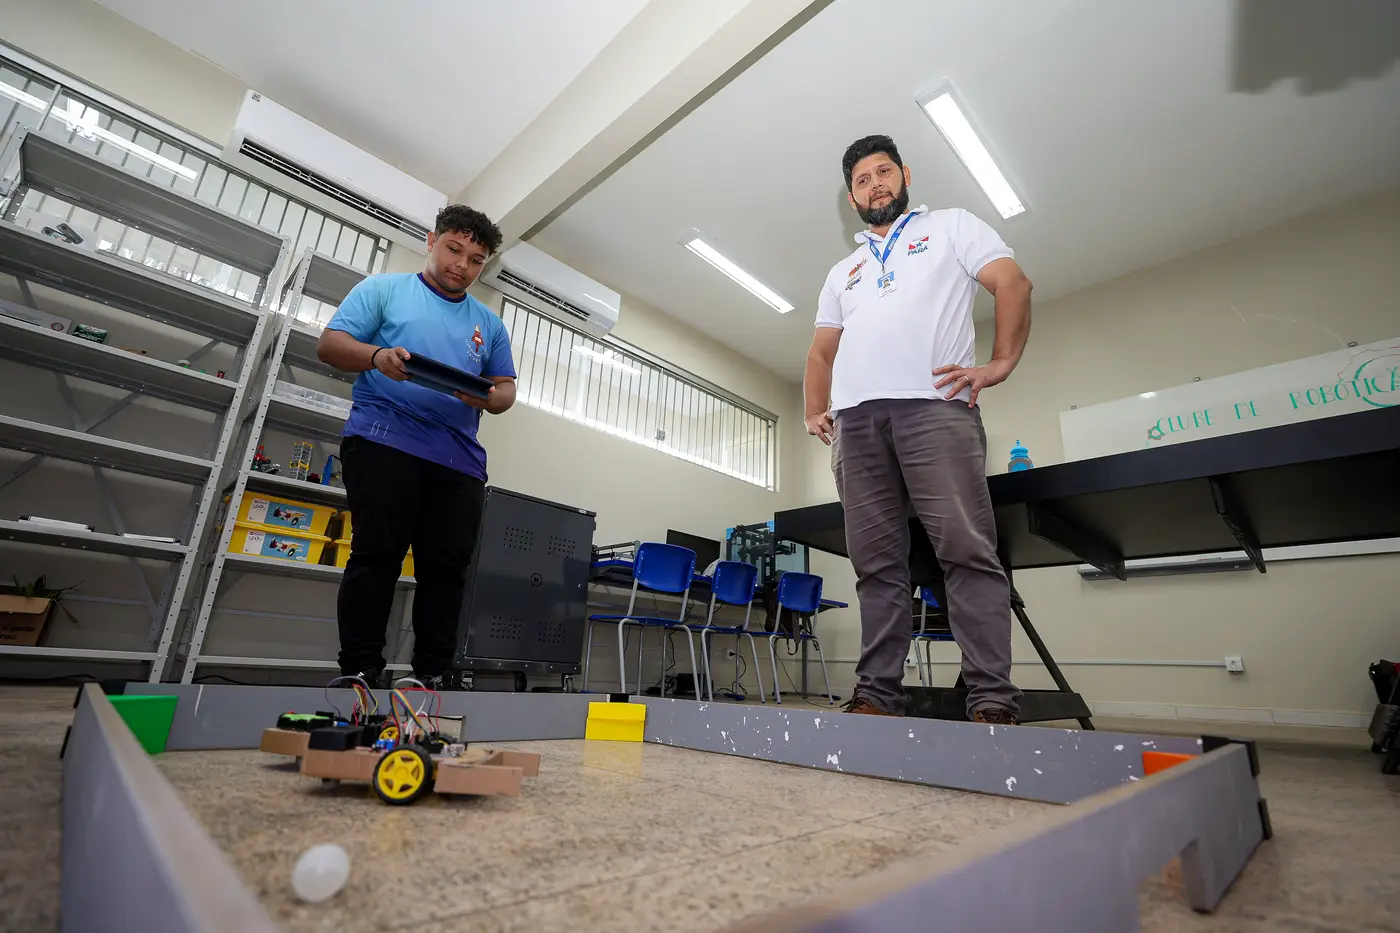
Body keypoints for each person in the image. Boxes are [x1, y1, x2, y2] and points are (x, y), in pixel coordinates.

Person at [803, 135, 1033, 724]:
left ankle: (991, 700)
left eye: (883, 172)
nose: (874, 184)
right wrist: (813, 408)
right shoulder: (843, 271)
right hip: (857, 427)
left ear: (905, 175)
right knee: (876, 566)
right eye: (862, 180)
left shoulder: (952, 226)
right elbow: (821, 351)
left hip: (935, 409)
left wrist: (1000, 362)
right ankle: (876, 696)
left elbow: (1013, 283)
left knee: (967, 553)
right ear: (852, 199)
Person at [317, 205, 516, 688]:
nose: (462, 265)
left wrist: (488, 398)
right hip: (383, 439)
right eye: (454, 249)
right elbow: (330, 345)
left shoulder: (489, 325)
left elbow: (505, 390)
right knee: (376, 556)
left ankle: (433, 675)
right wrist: (376, 356)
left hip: (458, 461)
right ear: (432, 241)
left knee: (446, 570)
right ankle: (360, 670)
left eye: (475, 260)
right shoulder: (383, 290)